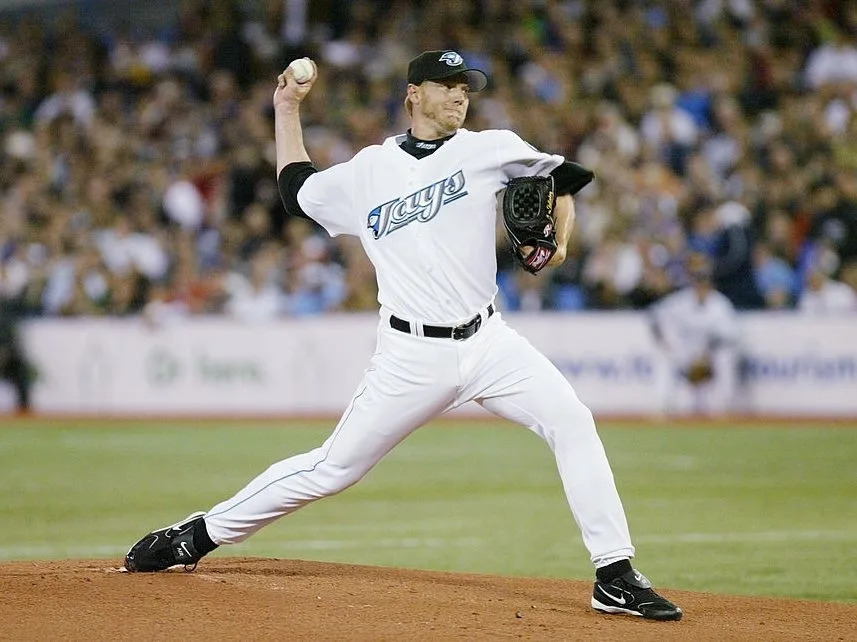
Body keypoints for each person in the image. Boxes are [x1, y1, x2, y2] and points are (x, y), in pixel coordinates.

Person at [124, 50, 682, 622]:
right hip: (411, 355)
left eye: (466, 87)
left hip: (490, 342)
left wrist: (559, 241)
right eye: (447, 86)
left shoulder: (491, 148)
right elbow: (297, 190)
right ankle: (197, 534)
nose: (461, 96)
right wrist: (286, 107)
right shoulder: (369, 170)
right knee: (331, 469)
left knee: (572, 420)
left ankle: (614, 574)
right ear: (413, 94)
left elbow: (562, 183)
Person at [649, 253, 741, 416]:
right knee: (663, 355)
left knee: (725, 356)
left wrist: (705, 357)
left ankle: (725, 407)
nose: (700, 285)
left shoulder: (720, 304)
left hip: (708, 356)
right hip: (686, 355)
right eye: (697, 280)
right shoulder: (681, 301)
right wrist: (666, 343)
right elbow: (655, 317)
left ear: (710, 282)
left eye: (704, 280)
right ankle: (663, 406)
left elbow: (729, 336)